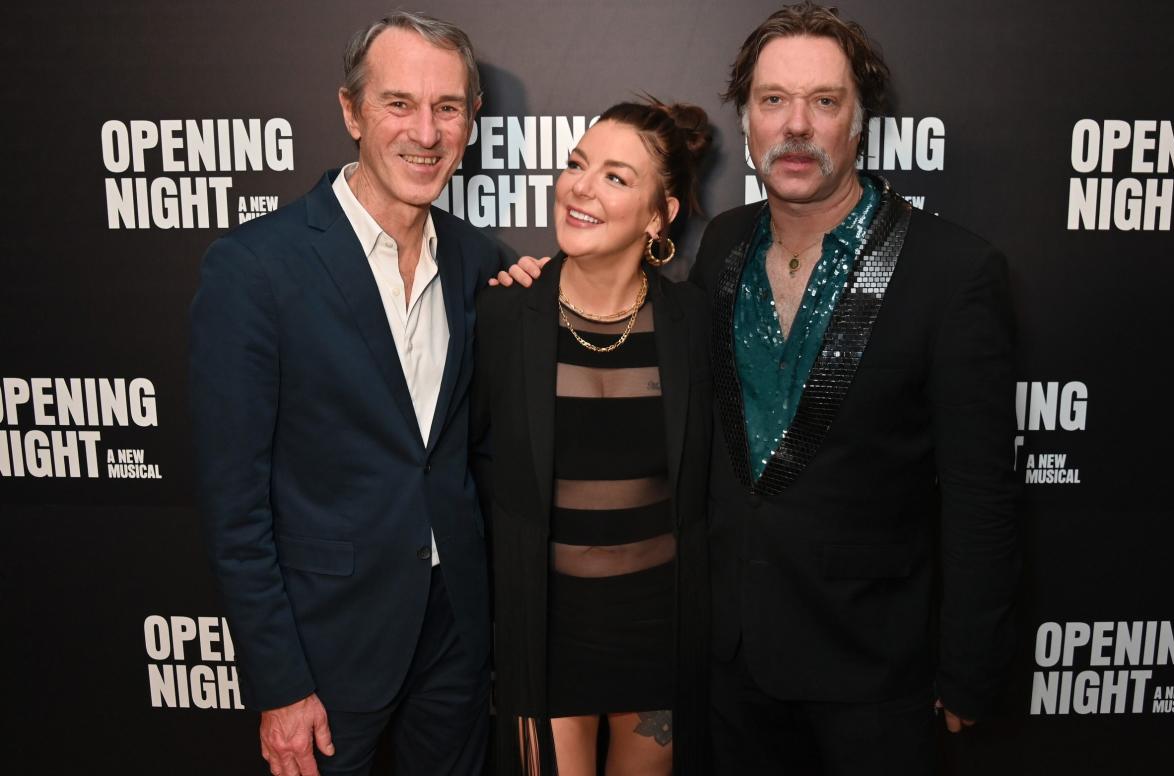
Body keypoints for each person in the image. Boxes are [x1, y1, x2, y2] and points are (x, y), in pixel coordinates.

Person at [496, 4, 1020, 774]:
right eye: (773, 100)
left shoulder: (953, 271)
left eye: (823, 101)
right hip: (723, 664)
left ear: (859, 120)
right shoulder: (723, 246)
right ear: (747, 120)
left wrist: (970, 667)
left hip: (869, 673)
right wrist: (541, 279)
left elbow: (981, 493)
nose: (796, 125)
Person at [190, 12, 509, 776]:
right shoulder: (255, 268)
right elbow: (234, 505)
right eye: (399, 103)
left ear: (469, 121)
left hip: (455, 639)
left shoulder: (479, 264)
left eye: (448, 107)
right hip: (325, 648)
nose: (425, 133)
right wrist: (280, 683)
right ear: (350, 112)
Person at [471, 99, 714, 775]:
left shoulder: (694, 323)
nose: (579, 187)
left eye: (615, 177)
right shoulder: (500, 314)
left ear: (659, 215)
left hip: (659, 639)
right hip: (541, 639)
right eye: (578, 164)